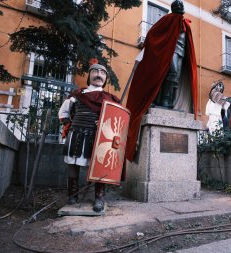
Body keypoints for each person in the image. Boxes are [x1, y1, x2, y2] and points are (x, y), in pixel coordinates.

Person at [125, 0, 198, 161]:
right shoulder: (167, 20)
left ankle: (169, 103)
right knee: (169, 74)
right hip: (169, 52)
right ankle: (163, 101)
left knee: (176, 79)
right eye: (178, 6)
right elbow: (152, 34)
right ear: (173, 8)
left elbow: (188, 44)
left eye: (182, 6)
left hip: (180, 53)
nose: (180, 8)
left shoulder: (186, 25)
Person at [58, 62, 120, 212]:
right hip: (77, 134)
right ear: (89, 75)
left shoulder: (110, 99)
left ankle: (99, 198)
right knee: (73, 164)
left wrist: (106, 122)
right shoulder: (76, 96)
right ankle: (72, 195)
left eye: (103, 73)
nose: (99, 74)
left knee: (99, 166)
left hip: (99, 138)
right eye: (95, 71)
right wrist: (71, 125)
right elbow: (63, 113)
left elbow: (116, 122)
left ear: (105, 78)